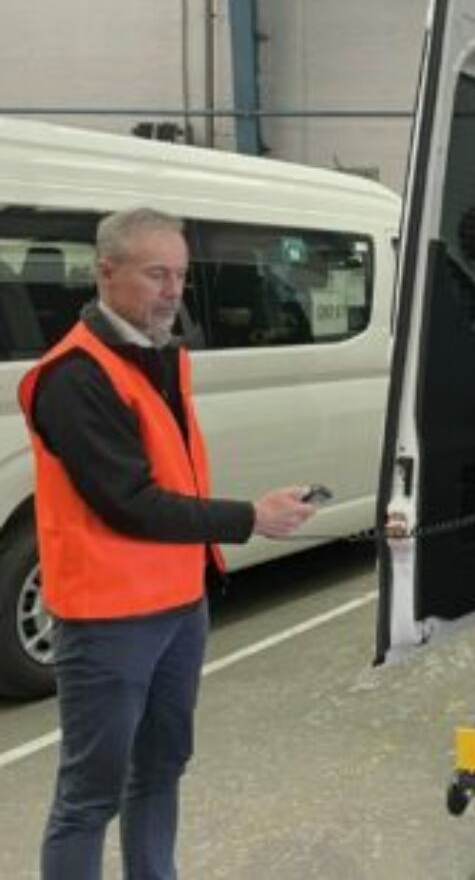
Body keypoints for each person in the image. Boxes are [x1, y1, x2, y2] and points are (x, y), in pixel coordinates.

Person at [17, 208, 316, 879]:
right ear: (105, 272)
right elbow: (130, 501)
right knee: (90, 795)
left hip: (179, 604)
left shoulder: (156, 355)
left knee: (161, 767)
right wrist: (250, 517)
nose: (172, 290)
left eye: (179, 275)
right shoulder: (74, 376)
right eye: (156, 274)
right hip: (108, 620)